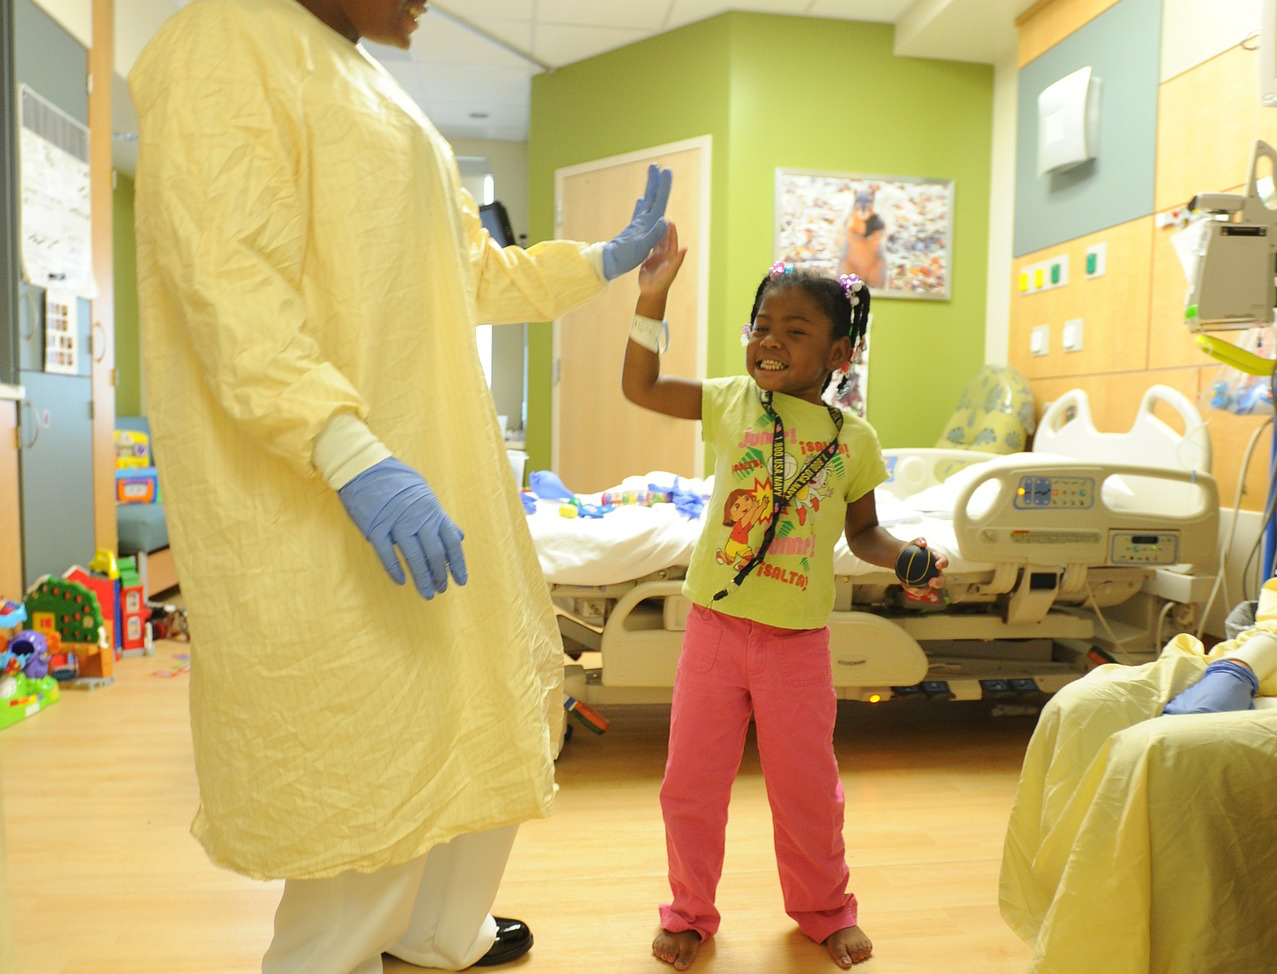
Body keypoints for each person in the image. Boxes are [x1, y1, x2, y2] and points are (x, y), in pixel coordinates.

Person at [128, 1, 671, 972]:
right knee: (369, 755)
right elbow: (225, 277)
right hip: (324, 489)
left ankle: (438, 932)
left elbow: (465, 273)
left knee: (486, 708)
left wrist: (599, 261)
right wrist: (345, 449)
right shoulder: (225, 38)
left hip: (436, 459)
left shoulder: (370, 81)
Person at [621, 225, 948, 970]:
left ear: (838, 355)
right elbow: (639, 388)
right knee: (690, 788)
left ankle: (824, 910)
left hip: (797, 645)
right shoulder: (733, 402)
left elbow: (864, 534)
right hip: (713, 632)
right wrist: (651, 298)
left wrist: (906, 558)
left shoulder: (852, 438)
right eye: (760, 326)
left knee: (807, 792)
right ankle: (689, 911)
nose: (769, 341)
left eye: (793, 331)